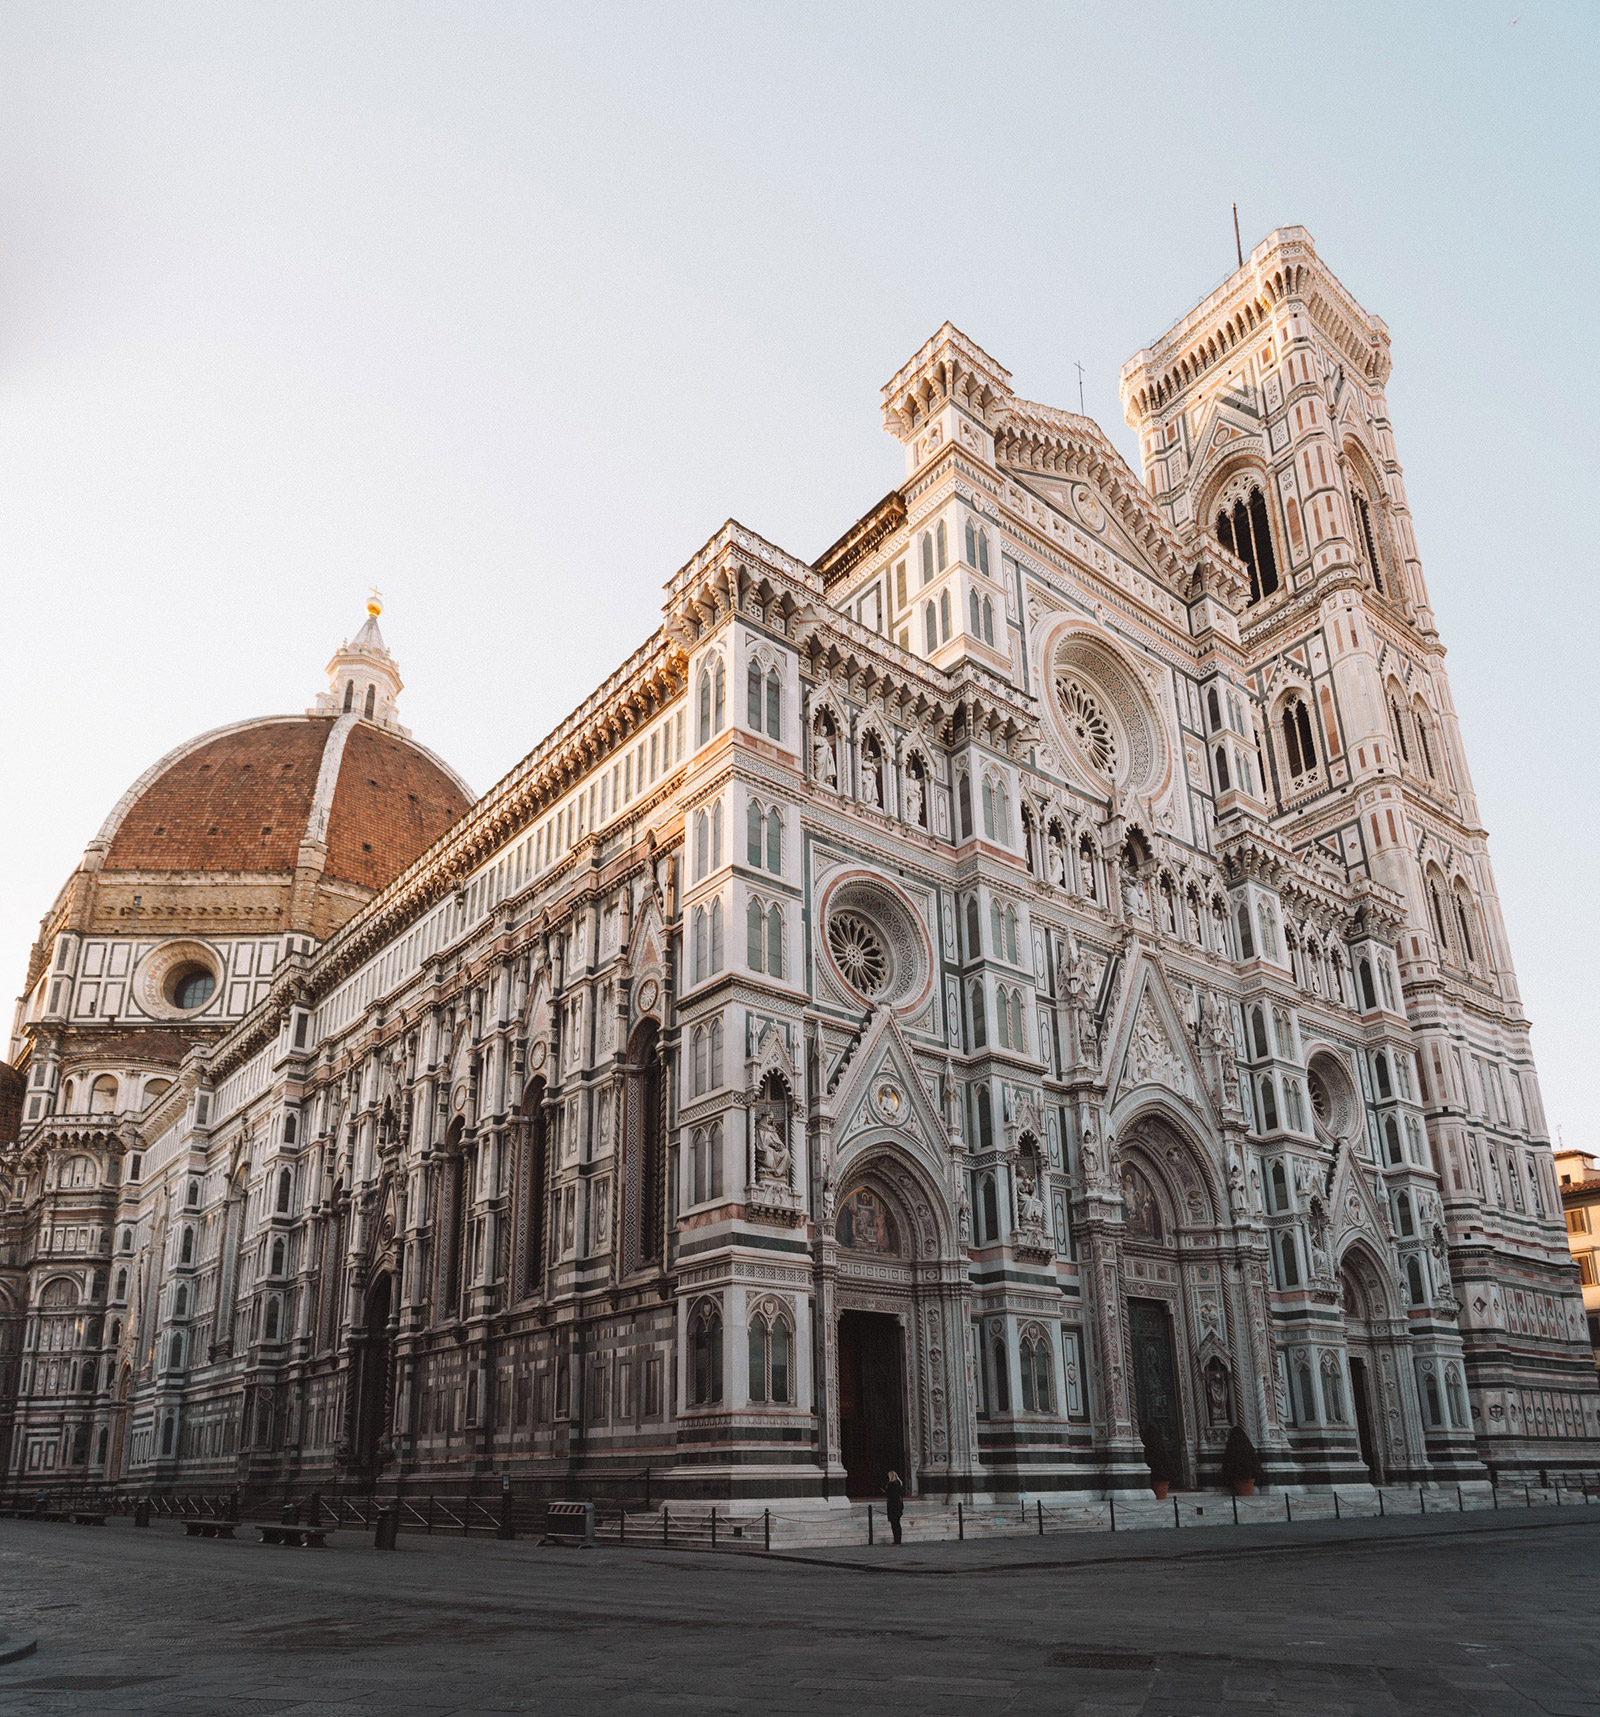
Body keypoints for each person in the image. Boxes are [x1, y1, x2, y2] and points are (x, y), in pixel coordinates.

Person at [883, 1470, 905, 1545]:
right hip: (898, 1505)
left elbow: (888, 1494)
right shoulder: (899, 1484)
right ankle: (898, 1540)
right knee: (897, 1524)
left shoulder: (891, 1484)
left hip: (892, 1506)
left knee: (894, 1524)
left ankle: (896, 1540)